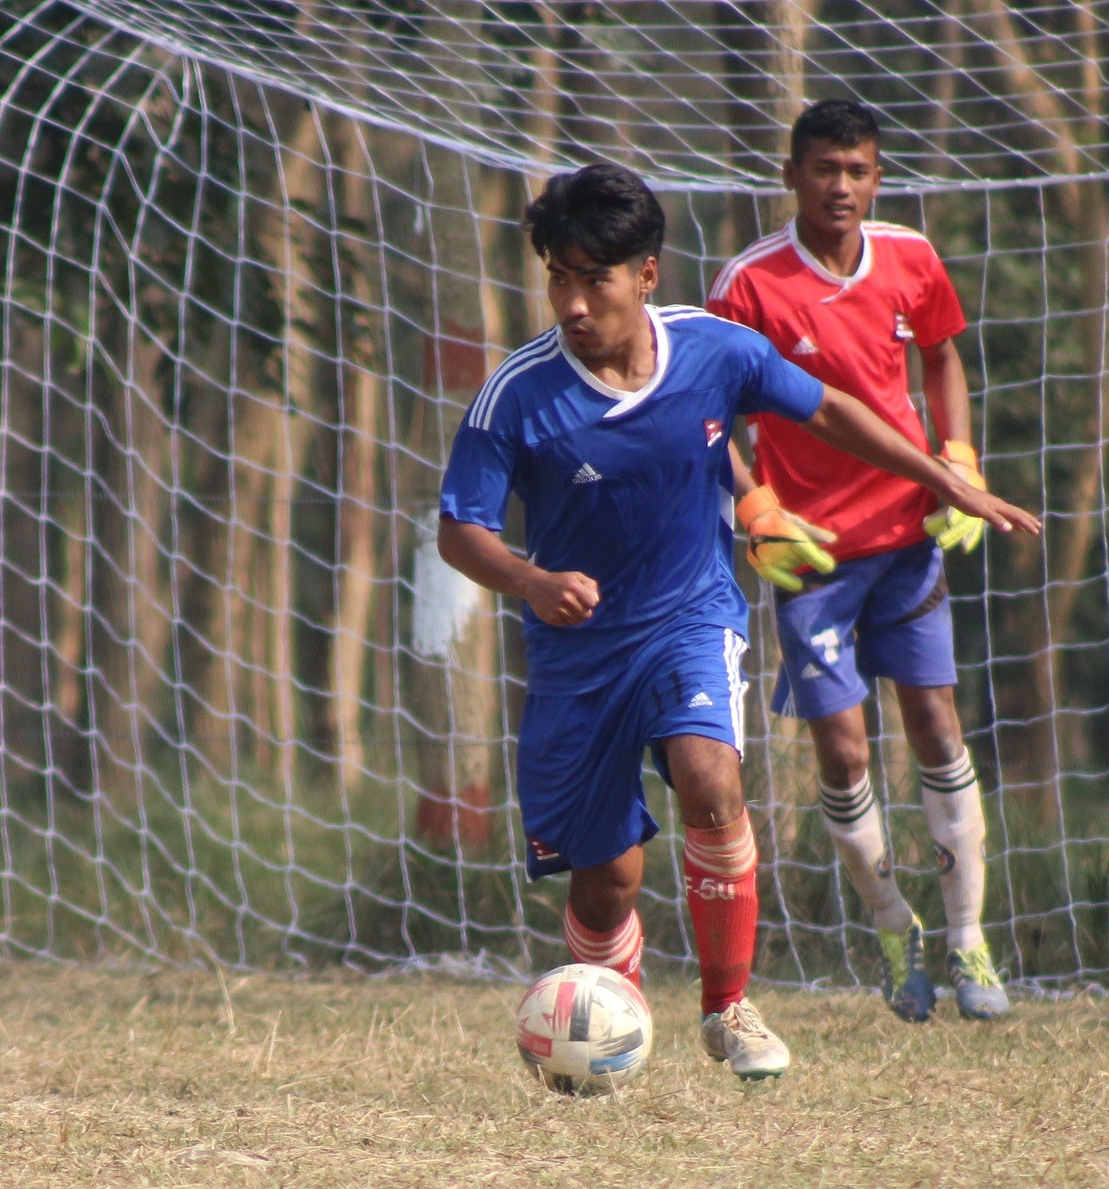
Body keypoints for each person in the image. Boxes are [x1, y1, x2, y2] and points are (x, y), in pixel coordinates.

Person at [437, 164, 1038, 1081]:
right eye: (558, 276)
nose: (572, 301)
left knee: (711, 779)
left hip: (691, 617)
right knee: (610, 881)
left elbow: (832, 407)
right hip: (576, 655)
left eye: (593, 278)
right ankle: (603, 1023)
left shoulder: (717, 351)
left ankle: (728, 1009)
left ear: (646, 275)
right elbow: (459, 530)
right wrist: (528, 579)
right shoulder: (516, 395)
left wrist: (943, 476)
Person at [707, 98, 1011, 1022]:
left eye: (860, 170)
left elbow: (944, 360)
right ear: (792, 173)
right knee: (842, 753)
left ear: (877, 177)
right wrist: (754, 504)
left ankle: (969, 945)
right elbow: (708, 415)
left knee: (936, 727)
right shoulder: (750, 284)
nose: (842, 186)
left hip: (909, 539)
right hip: (815, 560)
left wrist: (956, 456)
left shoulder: (912, 258)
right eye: (826, 168)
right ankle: (892, 927)